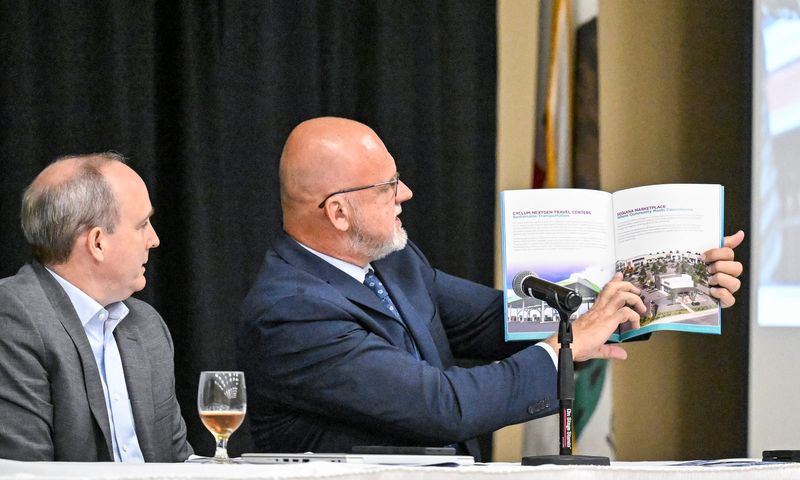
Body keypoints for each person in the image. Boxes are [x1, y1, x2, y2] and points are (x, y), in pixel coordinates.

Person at [238, 117, 744, 459]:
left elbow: (506, 319)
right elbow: (442, 406)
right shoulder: (290, 311)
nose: (405, 194)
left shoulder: (396, 264)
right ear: (338, 211)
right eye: (388, 185)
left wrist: (675, 285)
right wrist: (564, 346)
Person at [0, 152, 193, 462]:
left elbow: (176, 460)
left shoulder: (147, 326)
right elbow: (26, 472)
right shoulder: (12, 318)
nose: (154, 240)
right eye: (142, 224)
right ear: (98, 242)